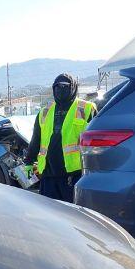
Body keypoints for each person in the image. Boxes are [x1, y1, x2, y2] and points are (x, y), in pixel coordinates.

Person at [25, 73, 96, 202]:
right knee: (49, 212)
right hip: (48, 174)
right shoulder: (44, 112)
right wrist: (29, 162)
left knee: (72, 213)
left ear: (73, 87)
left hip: (74, 174)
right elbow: (36, 139)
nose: (60, 89)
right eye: (57, 86)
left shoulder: (86, 109)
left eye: (65, 86)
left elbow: (96, 140)